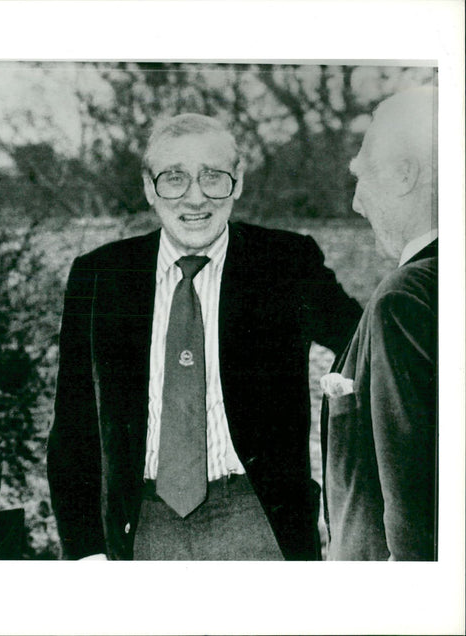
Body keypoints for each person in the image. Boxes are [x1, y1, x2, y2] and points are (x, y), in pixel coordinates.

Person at [47, 113, 362, 560]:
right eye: (174, 178)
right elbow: (74, 425)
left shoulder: (284, 262)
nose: (195, 197)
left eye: (213, 177)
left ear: (238, 182)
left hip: (257, 518)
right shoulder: (101, 275)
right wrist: (84, 550)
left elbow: (367, 346)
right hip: (141, 525)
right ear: (148, 187)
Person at [322, 87, 438, 561]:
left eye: (362, 177)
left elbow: (413, 506)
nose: (355, 203)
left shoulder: (406, 296)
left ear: (404, 174)